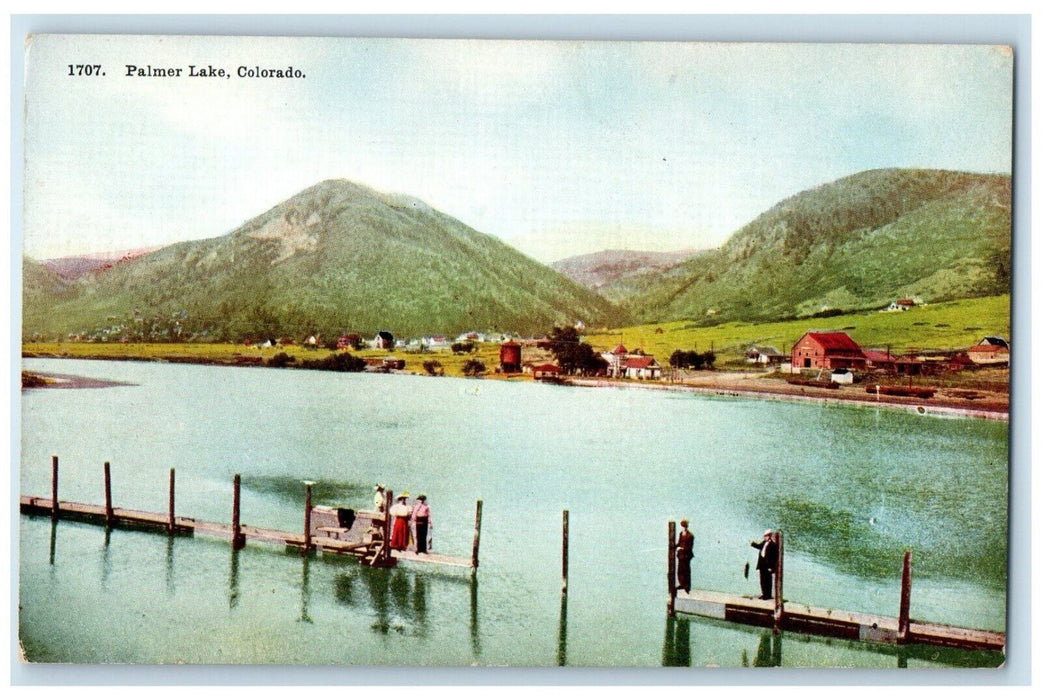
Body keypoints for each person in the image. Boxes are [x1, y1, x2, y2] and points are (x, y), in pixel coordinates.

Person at [750, 530, 779, 600]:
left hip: (768, 566)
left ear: (769, 536)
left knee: (768, 581)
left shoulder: (773, 545)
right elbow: (759, 546)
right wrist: (752, 544)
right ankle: (764, 594)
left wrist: (772, 567)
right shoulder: (764, 543)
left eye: (766, 536)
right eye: (764, 536)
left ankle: (768, 595)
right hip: (762, 564)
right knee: (762, 580)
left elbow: (774, 557)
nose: (764, 537)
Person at [675, 520, 694, 593]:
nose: (684, 528)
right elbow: (679, 543)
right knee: (680, 571)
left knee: (686, 571)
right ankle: (682, 584)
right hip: (681, 556)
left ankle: (687, 586)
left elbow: (689, 547)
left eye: (685, 526)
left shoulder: (690, 536)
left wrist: (681, 548)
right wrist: (675, 546)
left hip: (686, 556)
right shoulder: (681, 534)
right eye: (683, 527)